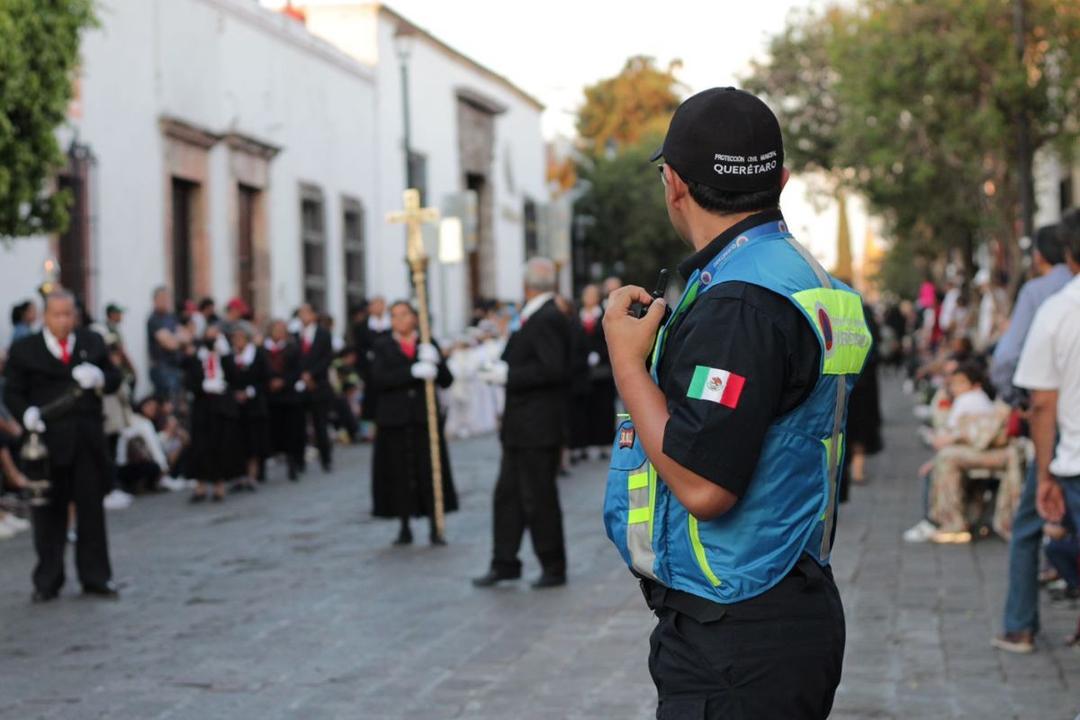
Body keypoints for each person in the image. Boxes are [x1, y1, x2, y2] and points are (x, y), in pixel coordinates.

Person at [601, 88, 871, 717]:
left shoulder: (739, 300)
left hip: (737, 627)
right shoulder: (802, 276)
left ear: (673, 183)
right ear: (779, 180)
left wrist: (625, 360)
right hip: (783, 597)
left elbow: (703, 486)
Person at [994, 209, 1080, 653]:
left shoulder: (1046, 298)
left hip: (1066, 441)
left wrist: (1018, 401)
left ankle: (1020, 624)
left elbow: (1010, 362)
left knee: (1029, 524)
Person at [3, 290, 123, 602]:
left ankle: (96, 577)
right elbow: (13, 390)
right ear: (45, 316)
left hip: (86, 440)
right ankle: (47, 579)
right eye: (57, 314)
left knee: (91, 510)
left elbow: (115, 378)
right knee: (47, 514)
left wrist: (98, 376)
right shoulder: (25, 349)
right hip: (47, 443)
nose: (64, 321)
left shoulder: (91, 343)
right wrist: (26, 413)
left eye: (69, 314)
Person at [473, 257, 572, 589]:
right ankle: (505, 562)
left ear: (527, 284)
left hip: (537, 425)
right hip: (522, 425)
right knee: (508, 496)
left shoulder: (546, 317)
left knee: (538, 497)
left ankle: (553, 565)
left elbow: (553, 368)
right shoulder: (537, 315)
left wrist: (509, 375)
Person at [369, 301, 457, 545]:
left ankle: (434, 525)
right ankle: (404, 524)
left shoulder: (427, 343)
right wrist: (411, 372)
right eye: (394, 316)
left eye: (404, 315)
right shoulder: (383, 345)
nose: (400, 320)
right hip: (395, 419)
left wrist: (436, 363)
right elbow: (379, 379)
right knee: (398, 472)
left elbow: (447, 380)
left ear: (415, 318)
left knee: (429, 472)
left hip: (423, 418)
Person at [990, 224, 1070, 402]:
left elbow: (1008, 355)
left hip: (1046, 398)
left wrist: (1013, 397)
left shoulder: (1035, 292)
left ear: (1039, 256)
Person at [183, 324, 239, 503]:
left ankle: (219, 485)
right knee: (200, 445)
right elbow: (189, 377)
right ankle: (200, 485)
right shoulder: (197, 356)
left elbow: (235, 377)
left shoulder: (224, 356)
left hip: (221, 405)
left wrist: (226, 354)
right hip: (202, 404)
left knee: (220, 445)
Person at [569, 284, 616, 462]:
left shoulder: (604, 314)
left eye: (592, 294)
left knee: (603, 407)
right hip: (581, 371)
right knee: (582, 409)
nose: (589, 298)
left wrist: (600, 353)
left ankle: (604, 443)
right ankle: (581, 445)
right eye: (586, 294)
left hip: (602, 371)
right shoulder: (576, 316)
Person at [223, 322, 269, 491]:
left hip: (254, 405)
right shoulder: (228, 358)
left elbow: (264, 379)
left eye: (241, 337)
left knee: (254, 441)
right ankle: (239, 476)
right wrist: (234, 393)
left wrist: (249, 392)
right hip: (236, 407)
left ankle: (252, 475)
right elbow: (226, 380)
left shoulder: (257, 355)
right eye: (235, 338)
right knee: (238, 442)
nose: (238, 341)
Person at [296, 303, 334, 472]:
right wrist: (302, 375)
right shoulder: (296, 335)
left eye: (306, 313)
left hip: (318, 384)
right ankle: (300, 461)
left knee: (320, 424)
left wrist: (312, 374)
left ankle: (326, 459)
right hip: (301, 385)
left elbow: (327, 358)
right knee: (300, 425)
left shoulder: (323, 334)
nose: (303, 317)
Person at [265, 319, 304, 480]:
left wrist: (284, 381)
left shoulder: (293, 349)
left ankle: (293, 464)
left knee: (291, 432)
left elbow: (297, 370)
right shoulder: (263, 349)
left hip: (288, 396)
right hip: (270, 397)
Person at [146, 286, 187, 403]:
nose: (165, 301)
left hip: (176, 367)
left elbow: (187, 337)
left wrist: (174, 338)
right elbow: (170, 344)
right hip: (162, 368)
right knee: (167, 406)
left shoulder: (171, 317)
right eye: (162, 298)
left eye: (167, 298)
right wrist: (177, 339)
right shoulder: (154, 319)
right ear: (155, 300)